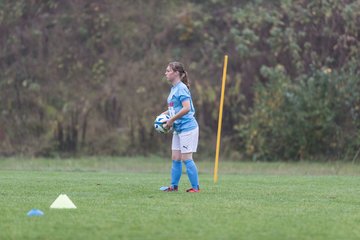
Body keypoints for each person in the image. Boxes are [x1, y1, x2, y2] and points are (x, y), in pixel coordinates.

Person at [160, 61, 200, 193]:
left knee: (186, 158)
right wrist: (163, 115)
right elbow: (174, 108)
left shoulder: (181, 88)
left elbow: (186, 108)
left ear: (176, 73)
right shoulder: (174, 88)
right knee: (175, 158)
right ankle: (173, 186)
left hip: (188, 127)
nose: (165, 73)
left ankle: (195, 188)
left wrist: (170, 120)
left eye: (168, 71)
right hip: (178, 128)